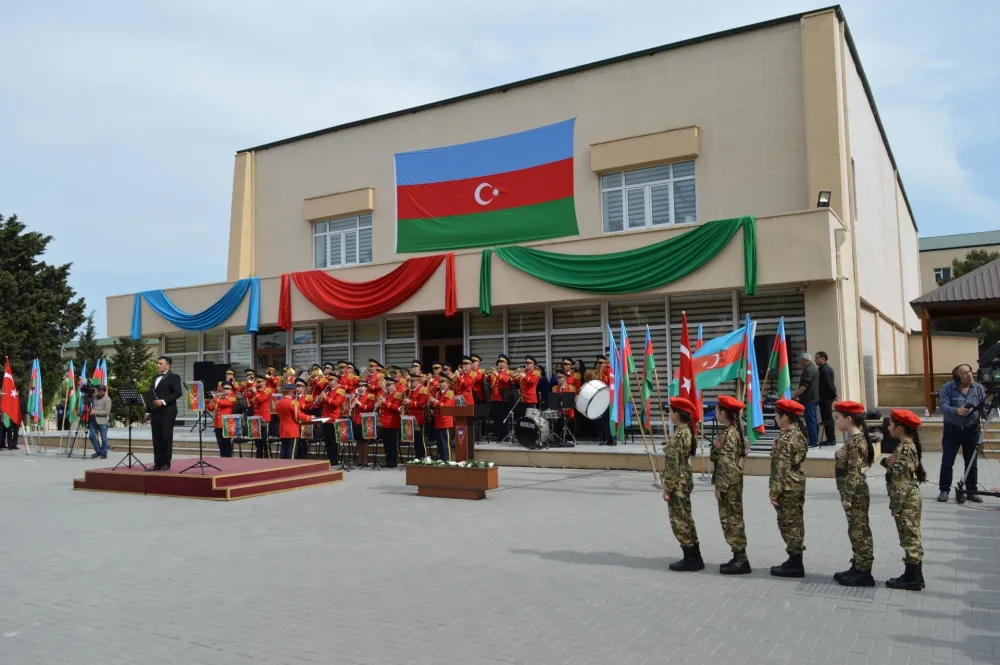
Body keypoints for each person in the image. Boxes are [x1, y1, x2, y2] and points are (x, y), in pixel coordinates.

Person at [832, 400, 876, 587]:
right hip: (852, 492)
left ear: (848, 419)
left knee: (860, 532)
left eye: (837, 418)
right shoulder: (853, 440)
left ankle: (864, 572)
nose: (835, 421)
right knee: (855, 530)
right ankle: (858, 565)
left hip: (855, 494)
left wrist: (847, 497)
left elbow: (855, 473)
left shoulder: (856, 442)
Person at [883, 409, 927, 591]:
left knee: (910, 538)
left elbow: (900, 482)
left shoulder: (904, 449)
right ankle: (913, 575)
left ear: (899, 428)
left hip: (906, 499)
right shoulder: (907, 446)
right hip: (911, 497)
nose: (888, 428)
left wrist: (896, 506)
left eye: (891, 425)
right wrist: (886, 462)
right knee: (911, 536)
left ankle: (914, 578)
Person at [662, 397, 704, 572]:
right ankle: (694, 556)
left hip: (677, 482)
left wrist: (668, 488)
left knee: (679, 520)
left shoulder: (680, 434)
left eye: (670, 412)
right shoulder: (686, 431)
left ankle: (691, 558)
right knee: (686, 518)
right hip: (683, 479)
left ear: (677, 415)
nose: (669, 415)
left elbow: (673, 463)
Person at [769, 398, 808, 578]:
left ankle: (795, 563)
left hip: (786, 486)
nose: (775, 419)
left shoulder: (786, 439)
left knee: (788, 524)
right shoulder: (799, 434)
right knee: (796, 522)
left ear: (784, 417)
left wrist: (774, 492)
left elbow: (780, 467)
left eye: (777, 415)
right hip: (796, 483)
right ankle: (794, 559)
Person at [712, 395, 750, 574]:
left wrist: (720, 486)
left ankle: (741, 560)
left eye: (717, 410)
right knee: (733, 518)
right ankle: (737, 556)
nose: (715, 413)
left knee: (731, 520)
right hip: (733, 481)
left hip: (729, 483)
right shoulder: (733, 431)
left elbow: (726, 462)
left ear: (723, 413)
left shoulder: (729, 434)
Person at [937, 364, 986, 503]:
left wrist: (986, 412)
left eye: (970, 372)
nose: (969, 375)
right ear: (957, 377)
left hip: (972, 429)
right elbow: (943, 406)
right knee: (947, 461)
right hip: (952, 429)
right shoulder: (947, 388)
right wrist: (956, 410)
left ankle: (971, 491)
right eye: (965, 373)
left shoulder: (978, 388)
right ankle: (944, 490)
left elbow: (984, 406)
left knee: (971, 462)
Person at [146, 356, 182, 471]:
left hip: (168, 411)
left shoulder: (174, 377)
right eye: (157, 363)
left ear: (168, 365)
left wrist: (163, 401)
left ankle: (166, 463)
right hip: (155, 411)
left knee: (166, 436)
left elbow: (178, 393)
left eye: (160, 363)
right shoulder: (155, 377)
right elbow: (151, 394)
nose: (158, 365)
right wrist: (148, 410)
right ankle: (157, 463)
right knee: (156, 437)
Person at [274, 383, 312, 459]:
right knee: (291, 451)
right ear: (292, 392)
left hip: (283, 429)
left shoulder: (278, 403)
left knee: (284, 450)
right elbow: (299, 415)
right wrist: (310, 418)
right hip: (292, 430)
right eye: (294, 391)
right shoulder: (293, 402)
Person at [792, 353, 820, 448]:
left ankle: (813, 441)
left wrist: (795, 395)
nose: (800, 363)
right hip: (813, 398)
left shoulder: (809, 369)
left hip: (809, 399)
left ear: (805, 360)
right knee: (813, 420)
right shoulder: (813, 368)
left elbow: (804, 386)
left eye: (800, 361)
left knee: (810, 420)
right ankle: (815, 440)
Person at [319, 374, 345, 466]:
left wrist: (325, 397)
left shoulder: (340, 391)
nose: (328, 382)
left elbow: (336, 403)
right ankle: (329, 458)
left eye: (331, 380)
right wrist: (319, 400)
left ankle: (334, 460)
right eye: (328, 380)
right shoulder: (327, 391)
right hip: (325, 419)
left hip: (334, 418)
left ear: (336, 381)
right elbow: (322, 405)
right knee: (327, 440)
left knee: (333, 441)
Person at [430, 374, 456, 461]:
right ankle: (441, 459)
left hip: (445, 421)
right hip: (438, 420)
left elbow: (447, 406)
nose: (440, 384)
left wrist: (436, 401)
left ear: (448, 383)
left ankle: (447, 460)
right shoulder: (438, 393)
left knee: (446, 443)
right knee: (439, 443)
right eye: (440, 382)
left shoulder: (450, 392)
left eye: (442, 382)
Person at [206, 382, 236, 457]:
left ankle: (228, 459)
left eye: (227, 389)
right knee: (220, 443)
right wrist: (206, 401)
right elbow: (211, 408)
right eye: (224, 389)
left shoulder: (232, 397)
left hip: (226, 424)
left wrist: (214, 398)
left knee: (226, 444)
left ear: (231, 390)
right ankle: (222, 458)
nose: (225, 390)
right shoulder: (220, 398)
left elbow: (224, 403)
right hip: (218, 424)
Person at [404, 373, 429, 458]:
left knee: (420, 439)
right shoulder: (411, 390)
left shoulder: (423, 389)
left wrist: (409, 402)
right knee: (415, 439)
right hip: (411, 417)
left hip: (419, 418)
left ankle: (422, 457)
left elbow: (422, 403)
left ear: (418, 381)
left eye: (412, 381)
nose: (410, 383)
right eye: (410, 381)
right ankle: (417, 457)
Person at [380, 377, 403, 468]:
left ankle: (393, 461)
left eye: (389, 385)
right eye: (387, 385)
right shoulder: (385, 394)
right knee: (386, 443)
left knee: (393, 443)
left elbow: (396, 407)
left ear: (394, 385)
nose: (387, 387)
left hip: (392, 421)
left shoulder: (397, 394)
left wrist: (385, 402)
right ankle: (387, 460)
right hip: (384, 422)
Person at [815, 351, 838, 446]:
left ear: (823, 359)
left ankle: (831, 439)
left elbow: (829, 384)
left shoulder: (824, 369)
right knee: (826, 418)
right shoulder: (823, 368)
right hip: (825, 397)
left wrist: (834, 394)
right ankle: (830, 438)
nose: (815, 360)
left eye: (817, 358)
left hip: (826, 398)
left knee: (827, 418)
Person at [488, 354, 513, 441]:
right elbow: (489, 381)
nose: (500, 363)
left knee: (503, 418)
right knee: (496, 418)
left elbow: (506, 380)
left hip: (502, 398)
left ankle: (504, 435)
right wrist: (491, 374)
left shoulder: (508, 372)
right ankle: (498, 435)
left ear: (506, 364)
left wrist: (496, 373)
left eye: (502, 362)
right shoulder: (497, 373)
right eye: (500, 361)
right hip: (494, 398)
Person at [250, 376, 273, 458]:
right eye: (257, 382)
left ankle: (268, 457)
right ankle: (259, 457)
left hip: (264, 418)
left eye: (260, 382)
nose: (258, 384)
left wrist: (255, 392)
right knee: (257, 440)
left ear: (265, 382)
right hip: (256, 417)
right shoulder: (255, 390)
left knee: (265, 440)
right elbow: (247, 397)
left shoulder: (268, 390)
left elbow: (261, 400)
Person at [88, 384, 112, 459]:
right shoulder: (94, 396)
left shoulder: (107, 399)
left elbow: (107, 412)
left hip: (102, 421)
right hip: (92, 420)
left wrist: (95, 412)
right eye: (98, 390)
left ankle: (104, 453)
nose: (98, 392)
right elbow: (83, 400)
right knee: (91, 436)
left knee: (103, 438)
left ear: (104, 392)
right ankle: (98, 451)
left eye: (100, 391)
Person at [513, 357, 541, 421]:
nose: (527, 364)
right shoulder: (525, 372)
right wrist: (515, 374)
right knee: (521, 418)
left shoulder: (536, 372)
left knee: (530, 420)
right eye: (526, 363)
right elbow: (515, 380)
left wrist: (523, 375)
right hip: (523, 399)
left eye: (529, 363)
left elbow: (532, 381)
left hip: (530, 399)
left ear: (533, 364)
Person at [596, 355, 616, 446]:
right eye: (598, 363)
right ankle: (607, 438)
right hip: (602, 398)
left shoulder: (609, 371)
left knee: (610, 419)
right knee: (603, 420)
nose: (599, 364)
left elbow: (610, 384)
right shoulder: (599, 372)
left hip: (609, 398)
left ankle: (613, 439)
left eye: (601, 363)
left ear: (606, 363)